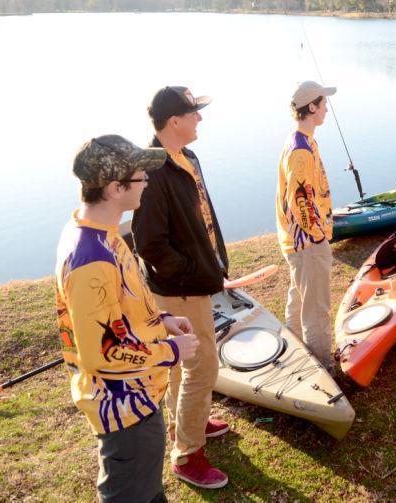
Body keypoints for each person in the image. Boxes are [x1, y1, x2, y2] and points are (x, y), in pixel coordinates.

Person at [55, 135, 199, 502]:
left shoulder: (102, 232)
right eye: (141, 177)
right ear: (115, 188)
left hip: (138, 395)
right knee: (131, 493)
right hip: (124, 408)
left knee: (147, 491)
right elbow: (101, 353)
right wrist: (170, 351)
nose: (148, 182)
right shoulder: (91, 259)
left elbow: (119, 307)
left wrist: (161, 318)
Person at [131, 86, 229, 489]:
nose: (200, 119)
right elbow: (149, 242)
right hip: (179, 288)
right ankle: (188, 454)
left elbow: (201, 217)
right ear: (174, 120)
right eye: (194, 113)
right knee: (203, 365)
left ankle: (188, 422)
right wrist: (192, 272)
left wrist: (214, 260)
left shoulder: (186, 157)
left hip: (194, 279)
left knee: (180, 366)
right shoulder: (150, 169)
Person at [275, 81, 336, 372]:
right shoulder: (300, 149)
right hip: (307, 243)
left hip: (298, 243)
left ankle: (294, 354)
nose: (326, 107)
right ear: (311, 107)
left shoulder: (303, 140)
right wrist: (318, 235)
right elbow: (300, 200)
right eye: (323, 103)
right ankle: (323, 370)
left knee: (299, 299)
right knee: (317, 312)